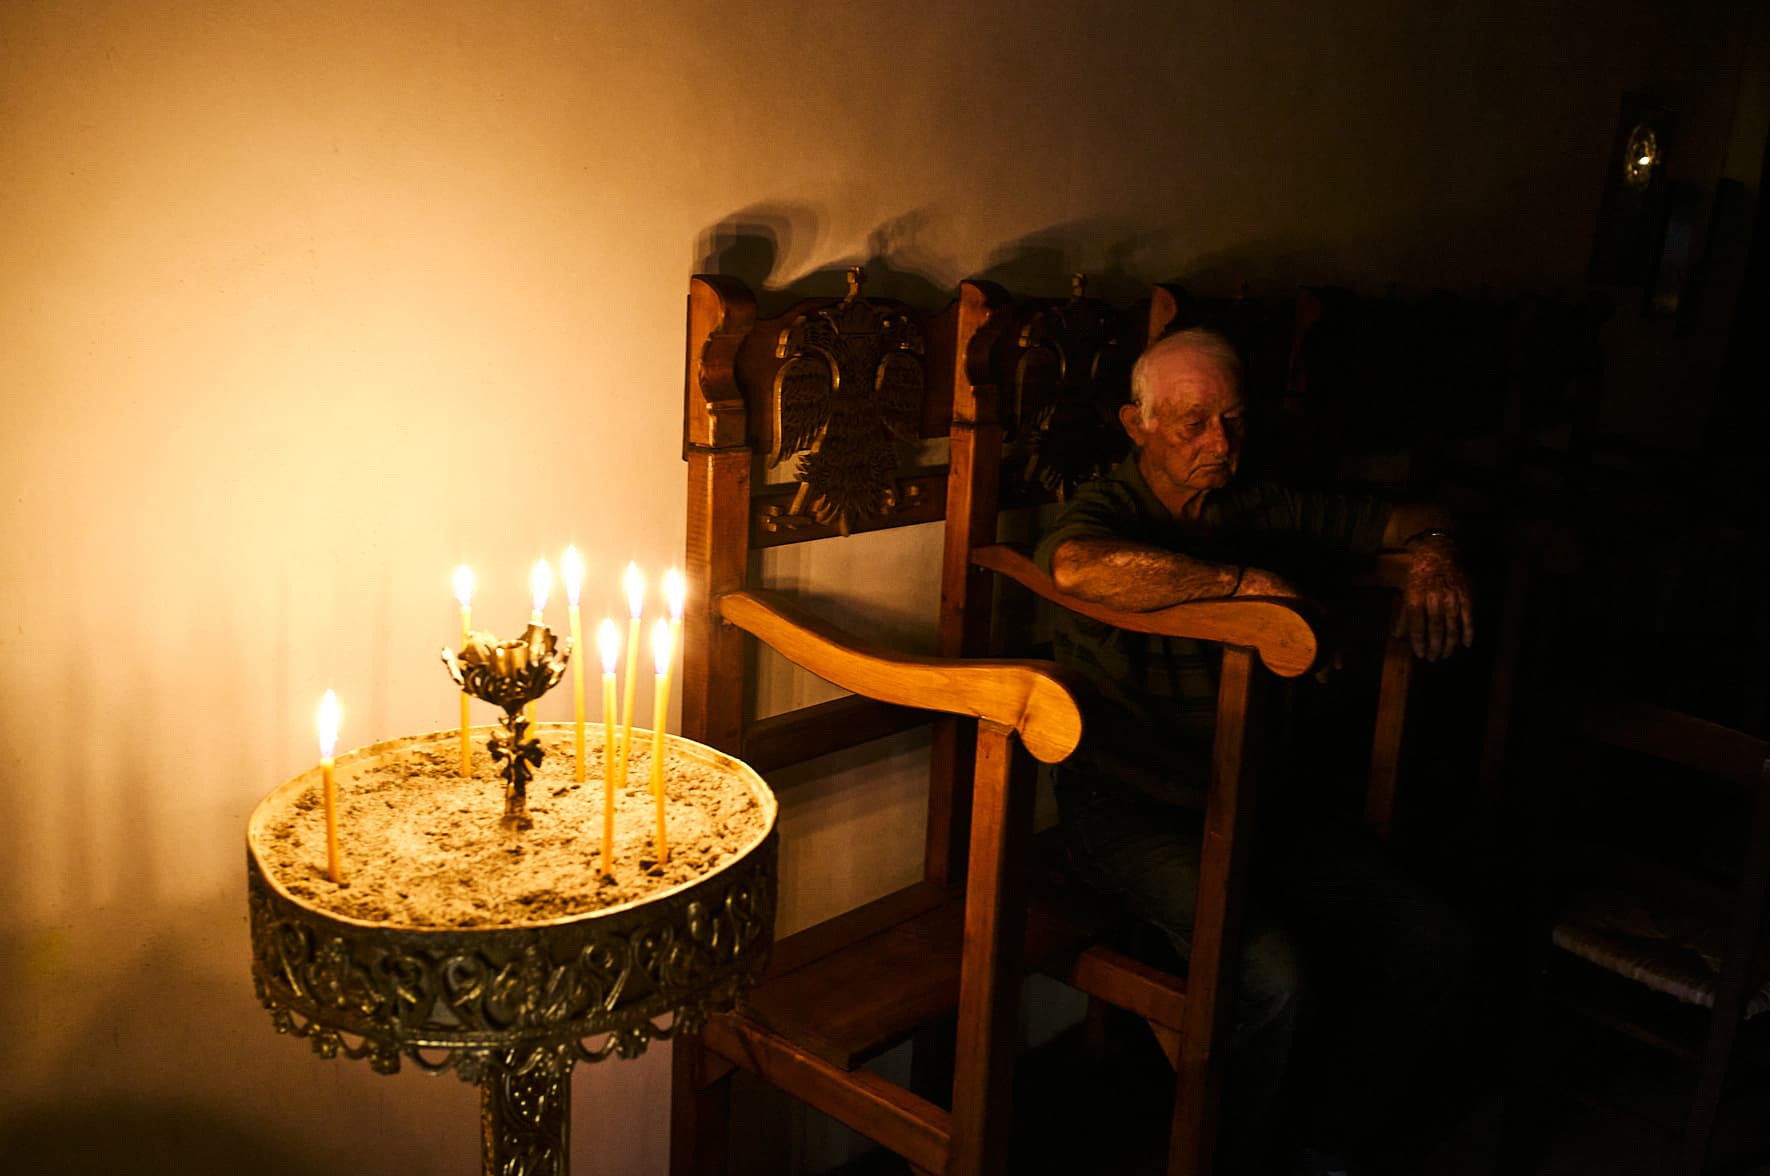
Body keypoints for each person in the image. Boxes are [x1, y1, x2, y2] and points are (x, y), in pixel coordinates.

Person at [1034, 327, 1476, 1176]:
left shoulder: (1259, 503)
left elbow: (1418, 515)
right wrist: (1247, 588)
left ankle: (1323, 1146)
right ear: (1137, 424)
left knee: (1433, 938)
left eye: (1232, 421)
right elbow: (1080, 568)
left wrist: (1432, 554)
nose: (1219, 445)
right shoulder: (1107, 507)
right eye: (1191, 424)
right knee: (1275, 978)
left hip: (1256, 799)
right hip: (1128, 811)